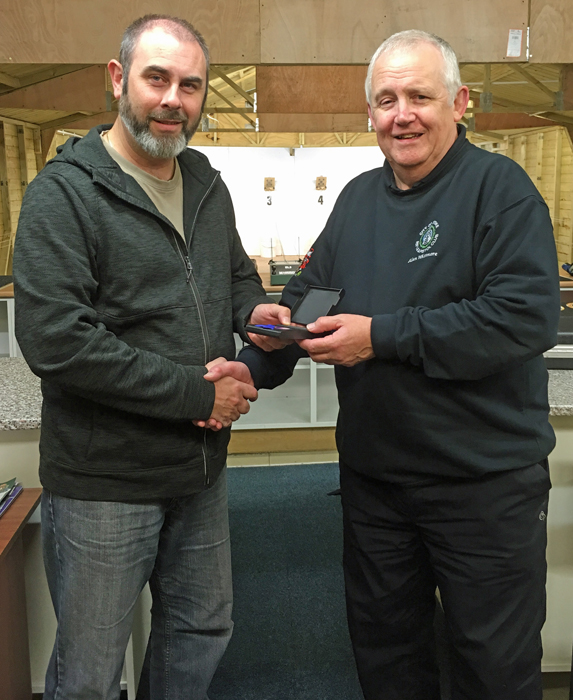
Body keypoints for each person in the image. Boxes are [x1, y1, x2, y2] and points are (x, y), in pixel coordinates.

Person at [202, 30, 560, 700]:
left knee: (491, 666)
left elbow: (522, 317)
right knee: (387, 659)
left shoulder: (498, 189)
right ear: (368, 113)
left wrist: (383, 337)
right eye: (386, 99)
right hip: (376, 489)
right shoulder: (358, 199)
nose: (403, 113)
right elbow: (311, 304)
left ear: (457, 103)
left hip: (481, 488)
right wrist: (256, 360)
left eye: (419, 96)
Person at [13, 14, 269, 700]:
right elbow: (57, 342)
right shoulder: (63, 195)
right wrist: (198, 394)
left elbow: (235, 274)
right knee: (91, 673)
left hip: (198, 470)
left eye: (190, 84)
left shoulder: (205, 181)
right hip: (104, 480)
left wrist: (255, 313)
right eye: (157, 78)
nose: (172, 99)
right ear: (119, 79)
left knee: (200, 629)